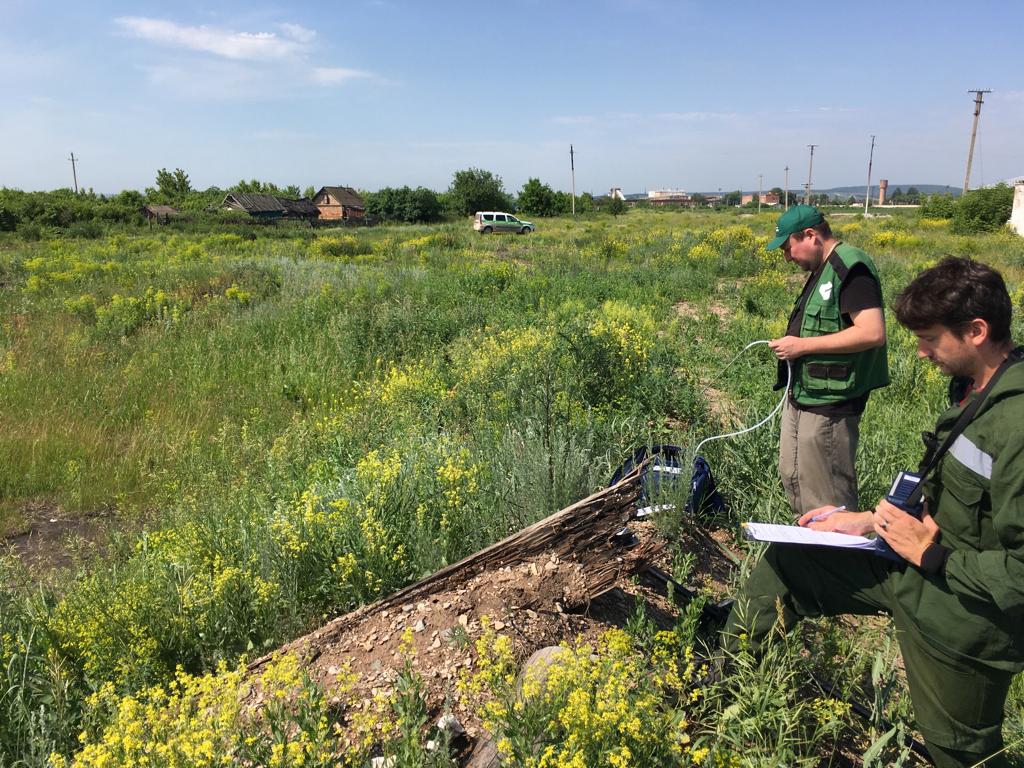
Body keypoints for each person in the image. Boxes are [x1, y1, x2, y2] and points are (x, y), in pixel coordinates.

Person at [724, 257, 1024, 767]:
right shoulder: (977, 388)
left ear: (977, 331)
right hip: (910, 564)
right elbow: (949, 491)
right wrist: (866, 521)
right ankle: (721, 688)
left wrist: (933, 555)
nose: (922, 352)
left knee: (960, 752)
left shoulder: (1017, 423)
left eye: (930, 338)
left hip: (965, 611)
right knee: (790, 563)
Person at [766, 205, 889, 516]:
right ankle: (808, 550)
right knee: (796, 476)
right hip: (805, 393)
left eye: (787, 247)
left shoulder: (851, 267)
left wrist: (802, 346)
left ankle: (836, 560)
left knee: (828, 495)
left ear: (810, 235)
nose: (787, 257)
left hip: (831, 400)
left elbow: (872, 332)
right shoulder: (823, 268)